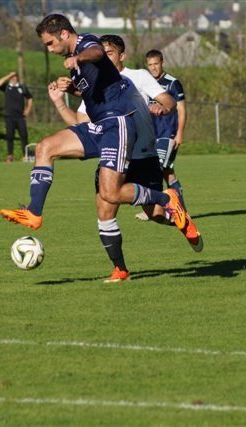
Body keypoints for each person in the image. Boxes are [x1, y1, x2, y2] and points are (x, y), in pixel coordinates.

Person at [0, 14, 199, 282]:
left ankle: (167, 199)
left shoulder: (87, 45)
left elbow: (95, 52)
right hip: (100, 127)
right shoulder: (79, 66)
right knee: (45, 147)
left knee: (113, 195)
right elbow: (93, 96)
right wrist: (69, 90)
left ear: (64, 34)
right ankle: (34, 212)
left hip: (118, 124)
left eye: (49, 43)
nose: (49, 49)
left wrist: (78, 59)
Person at [48, 34, 202, 272]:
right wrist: (61, 101)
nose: (102, 57)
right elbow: (81, 123)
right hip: (113, 154)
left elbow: (170, 101)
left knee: (155, 214)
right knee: (104, 210)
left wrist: (162, 107)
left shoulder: (138, 76)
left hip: (143, 155)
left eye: (108, 53)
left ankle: (180, 219)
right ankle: (120, 269)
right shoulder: (94, 84)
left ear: (122, 56)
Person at [145, 49, 190, 212]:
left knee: (155, 169)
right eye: (150, 65)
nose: (153, 68)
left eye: (156, 64)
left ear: (162, 62)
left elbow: (182, 110)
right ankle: (181, 211)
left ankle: (155, 209)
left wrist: (180, 133)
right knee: (167, 172)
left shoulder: (173, 83)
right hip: (150, 135)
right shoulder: (146, 82)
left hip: (168, 133)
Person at [0, 71, 33, 163]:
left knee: (24, 135)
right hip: (9, 116)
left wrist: (28, 109)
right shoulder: (6, 87)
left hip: (20, 116)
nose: (13, 78)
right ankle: (10, 155)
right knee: (10, 136)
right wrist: (9, 75)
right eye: (11, 77)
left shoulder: (22, 87)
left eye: (15, 76)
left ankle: (25, 155)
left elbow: (30, 98)